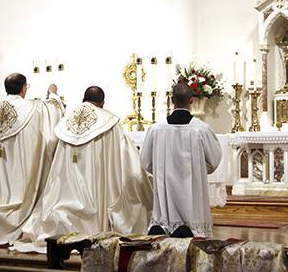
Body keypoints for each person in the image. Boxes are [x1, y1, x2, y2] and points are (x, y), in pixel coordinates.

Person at [12, 86, 153, 253]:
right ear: (102, 103)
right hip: (95, 196)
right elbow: (128, 161)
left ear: (83, 100)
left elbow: (51, 147)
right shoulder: (109, 121)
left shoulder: (66, 120)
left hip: (62, 194)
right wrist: (145, 179)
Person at [0, 73, 64, 246]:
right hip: (20, 170)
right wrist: (53, 94)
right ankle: (6, 222)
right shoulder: (33, 107)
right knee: (19, 193)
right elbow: (52, 110)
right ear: (24, 88)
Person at [140, 82, 221, 238]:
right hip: (193, 191)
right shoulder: (201, 129)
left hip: (165, 190)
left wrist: (160, 169)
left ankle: (163, 228)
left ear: (172, 100)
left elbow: (146, 161)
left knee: (163, 223)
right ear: (192, 101)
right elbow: (214, 160)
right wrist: (197, 169)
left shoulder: (156, 129)